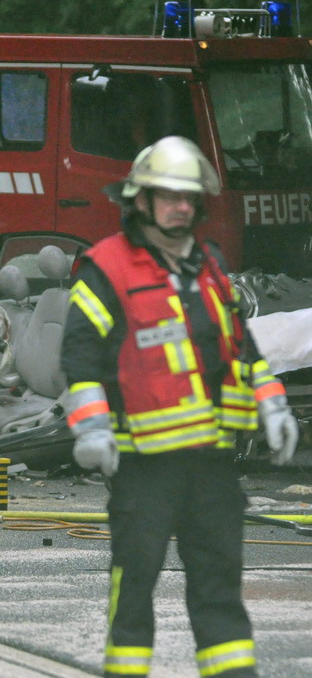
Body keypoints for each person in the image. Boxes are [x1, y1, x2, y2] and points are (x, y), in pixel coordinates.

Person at [61, 136, 300, 678]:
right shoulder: (104, 270)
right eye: (169, 196)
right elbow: (81, 359)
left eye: (190, 197)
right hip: (142, 466)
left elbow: (243, 348)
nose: (182, 207)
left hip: (213, 465)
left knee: (219, 587)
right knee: (136, 584)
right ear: (139, 200)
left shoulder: (210, 266)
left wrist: (274, 406)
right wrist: (93, 428)